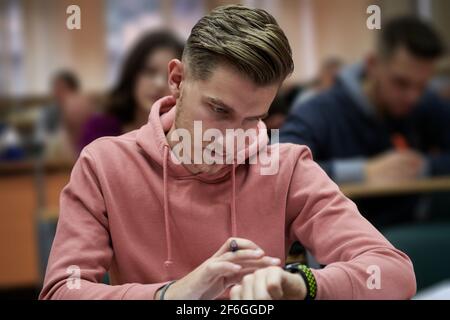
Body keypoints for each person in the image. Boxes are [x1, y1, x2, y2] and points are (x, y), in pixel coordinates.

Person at [40, 5, 415, 300]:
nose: (232, 137)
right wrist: (173, 294)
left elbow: (392, 271)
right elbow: (62, 291)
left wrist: (299, 284)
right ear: (177, 80)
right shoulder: (104, 165)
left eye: (253, 118)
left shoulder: (284, 166)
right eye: (219, 111)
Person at [280, 16, 450, 227]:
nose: (412, 97)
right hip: (342, 240)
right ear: (372, 65)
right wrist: (363, 172)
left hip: (412, 231)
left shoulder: (426, 103)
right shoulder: (319, 110)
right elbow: (280, 170)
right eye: (401, 83)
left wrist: (422, 166)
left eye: (422, 86)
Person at [79, 30, 184, 150]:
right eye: (150, 71)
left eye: (171, 76)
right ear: (133, 74)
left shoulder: (186, 136)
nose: (159, 84)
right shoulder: (100, 129)